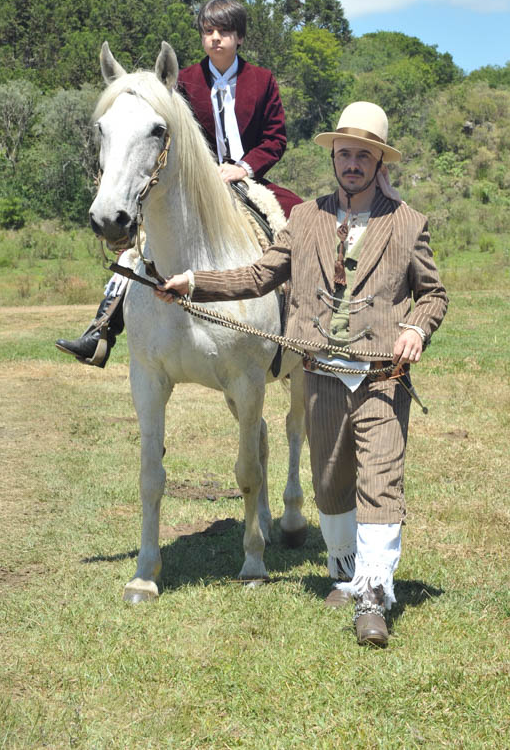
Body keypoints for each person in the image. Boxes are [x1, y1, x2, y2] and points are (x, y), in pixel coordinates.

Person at [155, 101, 448, 647]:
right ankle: (343, 572)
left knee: (380, 482)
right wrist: (195, 282)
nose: (352, 164)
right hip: (319, 373)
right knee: (330, 483)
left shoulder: (407, 223)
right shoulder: (304, 219)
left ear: (380, 162)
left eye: (363, 156)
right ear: (333, 158)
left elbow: (433, 294)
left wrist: (416, 327)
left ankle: (373, 596)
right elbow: (258, 275)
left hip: (382, 375)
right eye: (345, 154)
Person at [56, 0, 301, 366]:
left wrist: (244, 167)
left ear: (239, 37)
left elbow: (275, 138)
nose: (215, 38)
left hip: (249, 178)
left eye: (224, 31)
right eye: (208, 31)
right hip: (195, 184)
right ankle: (102, 327)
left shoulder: (262, 81)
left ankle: (300, 328)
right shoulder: (183, 80)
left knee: (298, 220)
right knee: (139, 243)